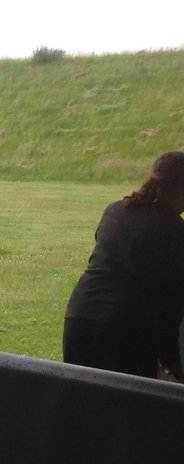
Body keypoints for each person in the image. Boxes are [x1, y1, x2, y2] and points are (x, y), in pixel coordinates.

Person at [63, 151, 184, 380]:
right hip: (125, 330)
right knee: (128, 411)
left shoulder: (115, 210)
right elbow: (171, 302)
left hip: (79, 318)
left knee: (81, 406)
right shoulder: (175, 230)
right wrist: (172, 361)